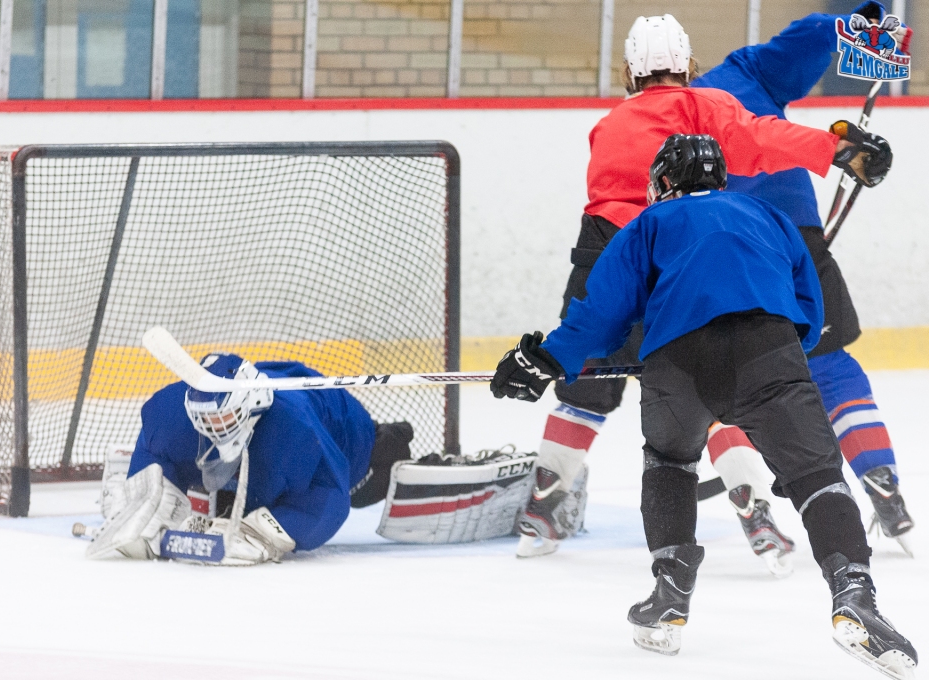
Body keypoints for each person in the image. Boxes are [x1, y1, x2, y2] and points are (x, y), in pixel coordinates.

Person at [492, 135, 916, 678]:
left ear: (663, 179)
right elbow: (809, 308)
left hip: (678, 363)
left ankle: (669, 594)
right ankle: (854, 594)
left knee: (669, 462)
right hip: (772, 351)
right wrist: (778, 371)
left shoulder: (646, 224)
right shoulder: (767, 215)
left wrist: (545, 359)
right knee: (816, 475)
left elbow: (600, 317)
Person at [516, 12, 893, 568]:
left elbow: (615, 210)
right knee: (707, 380)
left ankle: (543, 502)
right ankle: (753, 508)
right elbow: (759, 138)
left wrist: (551, 353)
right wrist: (834, 150)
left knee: (585, 382)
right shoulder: (702, 107)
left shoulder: (608, 125)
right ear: (688, 65)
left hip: (602, 254)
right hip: (674, 261)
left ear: (629, 71)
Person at [693, 0, 915, 555]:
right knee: (830, 361)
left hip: (723, 250)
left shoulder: (664, 111)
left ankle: (753, 505)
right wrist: (856, 24)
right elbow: (813, 33)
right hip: (797, 239)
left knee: (724, 376)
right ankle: (882, 480)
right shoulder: (746, 71)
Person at [86, 354, 413, 565]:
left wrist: (267, 532)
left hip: (342, 427)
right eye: (204, 418)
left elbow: (332, 496)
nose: (211, 427)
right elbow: (154, 449)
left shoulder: (295, 430)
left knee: (364, 489)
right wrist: (142, 490)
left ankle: (395, 440)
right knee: (237, 489)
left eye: (222, 419)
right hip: (271, 425)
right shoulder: (175, 413)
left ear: (251, 404)